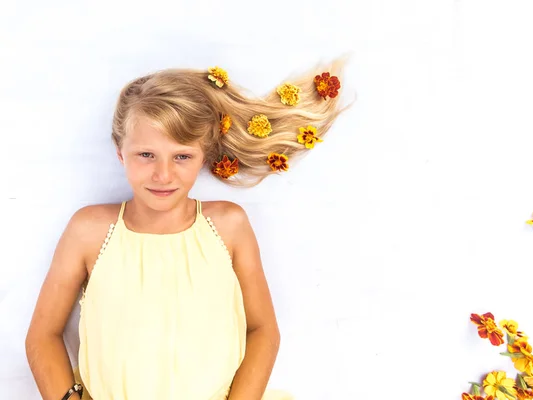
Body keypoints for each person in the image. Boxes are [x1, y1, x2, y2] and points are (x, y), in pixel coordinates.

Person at [24, 56, 351, 400]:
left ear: (205, 155)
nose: (163, 175)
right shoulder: (88, 231)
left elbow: (263, 329)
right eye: (146, 155)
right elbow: (42, 336)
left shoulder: (228, 227)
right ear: (120, 153)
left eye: (181, 156)